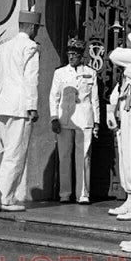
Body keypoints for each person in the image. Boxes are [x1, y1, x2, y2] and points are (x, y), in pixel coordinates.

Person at [0, 9, 41, 212]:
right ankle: (6, 198)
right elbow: (30, 78)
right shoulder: (30, 47)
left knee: (7, 151)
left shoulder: (3, 47)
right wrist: (32, 106)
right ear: (33, 27)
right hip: (19, 106)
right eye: (36, 29)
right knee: (15, 154)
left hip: (2, 105)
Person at [49, 38, 100, 204]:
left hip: (84, 118)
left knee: (84, 157)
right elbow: (54, 97)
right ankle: (65, 194)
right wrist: (54, 118)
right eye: (69, 54)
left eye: (75, 54)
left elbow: (95, 99)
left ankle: (83, 194)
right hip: (65, 118)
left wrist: (97, 121)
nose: (71, 57)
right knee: (64, 157)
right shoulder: (60, 73)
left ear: (81, 55)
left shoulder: (90, 73)